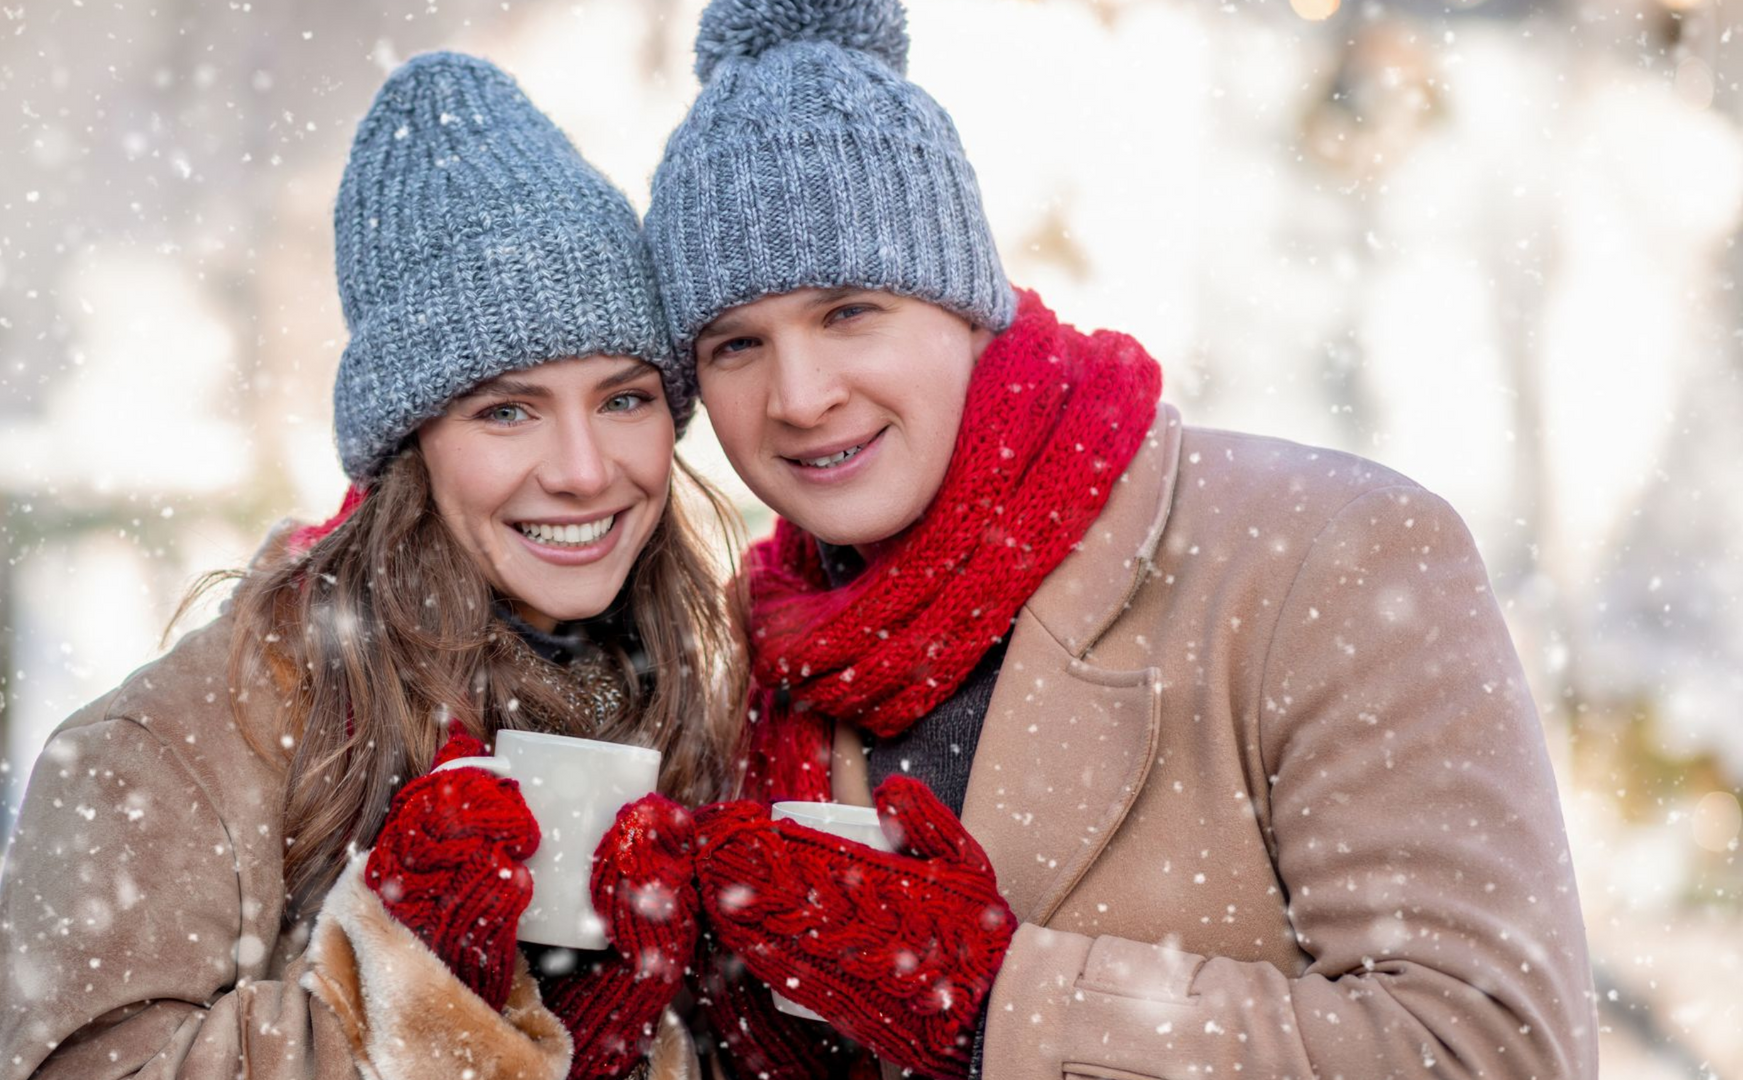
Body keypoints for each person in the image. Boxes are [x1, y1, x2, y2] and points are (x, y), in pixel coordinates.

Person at [642, 2, 1599, 1078]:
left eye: (850, 312)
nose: (800, 396)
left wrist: (999, 1005)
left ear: (964, 304)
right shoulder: (754, 653)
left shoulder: (1325, 555)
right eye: (735, 345)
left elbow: (1487, 1048)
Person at [0, 51, 740, 1080]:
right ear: (408, 444)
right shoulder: (173, 748)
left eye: (625, 397)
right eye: (507, 410)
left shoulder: (704, 700)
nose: (584, 469)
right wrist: (407, 1000)